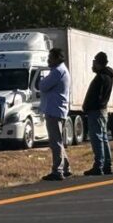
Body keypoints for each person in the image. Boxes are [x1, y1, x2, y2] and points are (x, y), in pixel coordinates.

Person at [39, 48, 72, 181]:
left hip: (54, 110)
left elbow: (42, 86)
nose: (48, 60)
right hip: (58, 110)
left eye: (50, 57)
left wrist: (42, 80)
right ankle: (66, 167)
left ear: (57, 58)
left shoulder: (57, 71)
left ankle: (57, 170)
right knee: (57, 140)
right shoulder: (61, 70)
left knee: (55, 141)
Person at [83, 51, 113, 176]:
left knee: (97, 139)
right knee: (103, 138)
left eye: (95, 62)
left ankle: (99, 165)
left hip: (96, 111)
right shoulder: (108, 76)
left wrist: (89, 106)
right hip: (102, 110)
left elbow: (97, 96)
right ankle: (107, 164)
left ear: (98, 63)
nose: (93, 64)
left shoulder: (101, 78)